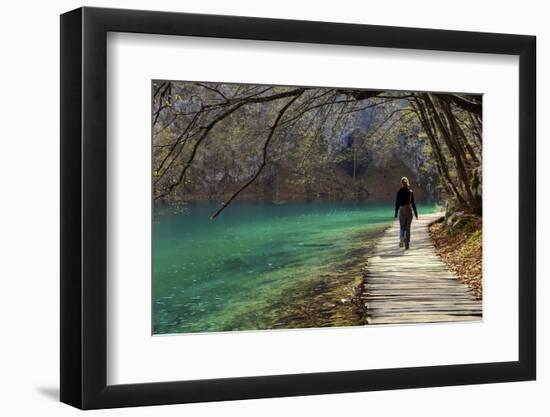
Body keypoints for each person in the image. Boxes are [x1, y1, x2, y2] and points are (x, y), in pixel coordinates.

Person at [394, 177, 418, 250]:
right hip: (409, 211)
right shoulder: (410, 192)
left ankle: (401, 237)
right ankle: (407, 244)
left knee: (402, 227)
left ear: (401, 183)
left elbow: (397, 203)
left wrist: (395, 213)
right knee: (408, 228)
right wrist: (416, 214)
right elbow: (413, 203)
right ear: (407, 183)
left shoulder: (399, 192)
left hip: (401, 210)